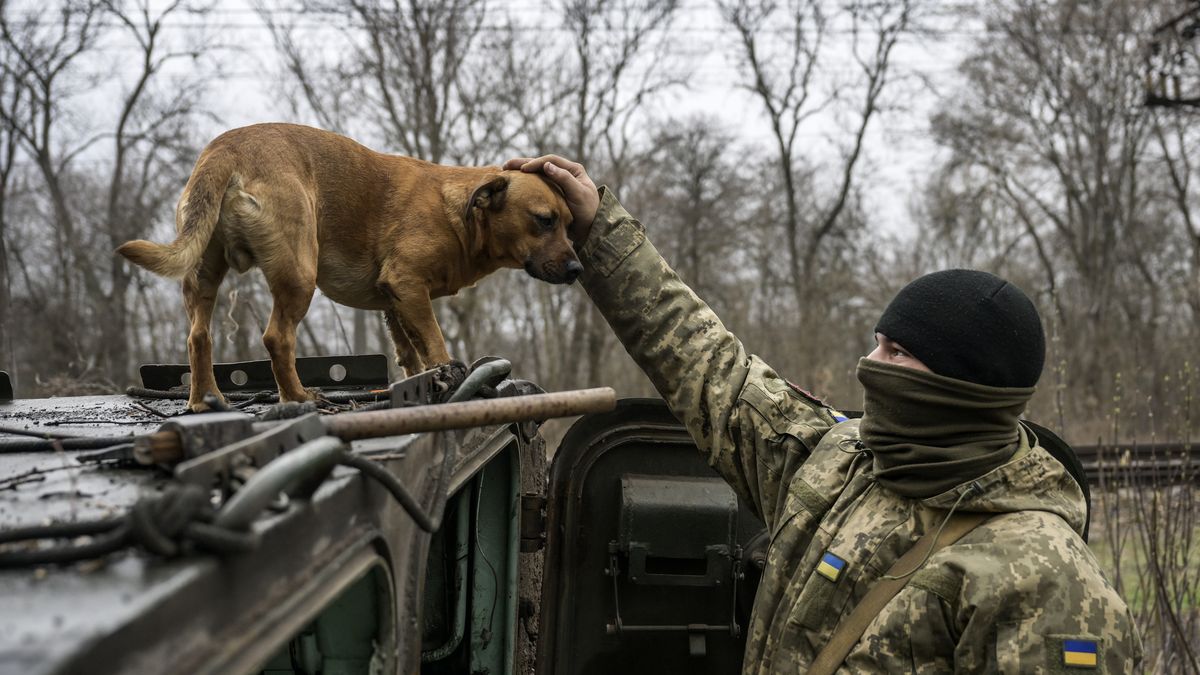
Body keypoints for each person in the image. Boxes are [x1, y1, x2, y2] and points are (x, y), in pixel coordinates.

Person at [503, 155, 1142, 672]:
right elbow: (708, 369)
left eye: (897, 352)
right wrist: (596, 230)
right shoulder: (842, 465)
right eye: (878, 341)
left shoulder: (1046, 582)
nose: (869, 362)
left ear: (961, 390)